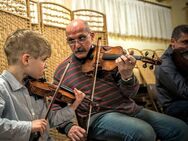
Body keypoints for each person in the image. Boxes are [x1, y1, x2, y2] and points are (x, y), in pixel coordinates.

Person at [54, 19, 188, 141]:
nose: (77, 45)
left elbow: (131, 94)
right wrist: (68, 127)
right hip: (98, 116)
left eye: (82, 38)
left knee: (180, 129)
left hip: (129, 109)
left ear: (92, 36)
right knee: (143, 133)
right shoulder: (63, 70)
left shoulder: (111, 54)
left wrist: (127, 75)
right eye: (71, 40)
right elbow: (54, 105)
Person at [0, 29, 85, 141]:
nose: (46, 66)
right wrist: (29, 126)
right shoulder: (2, 87)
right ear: (26, 59)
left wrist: (73, 106)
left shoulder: (35, 88)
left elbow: (49, 121)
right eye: (44, 59)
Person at [155, 24, 188, 124]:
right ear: (173, 42)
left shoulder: (182, 57)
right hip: (173, 106)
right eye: (185, 42)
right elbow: (185, 92)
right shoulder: (165, 65)